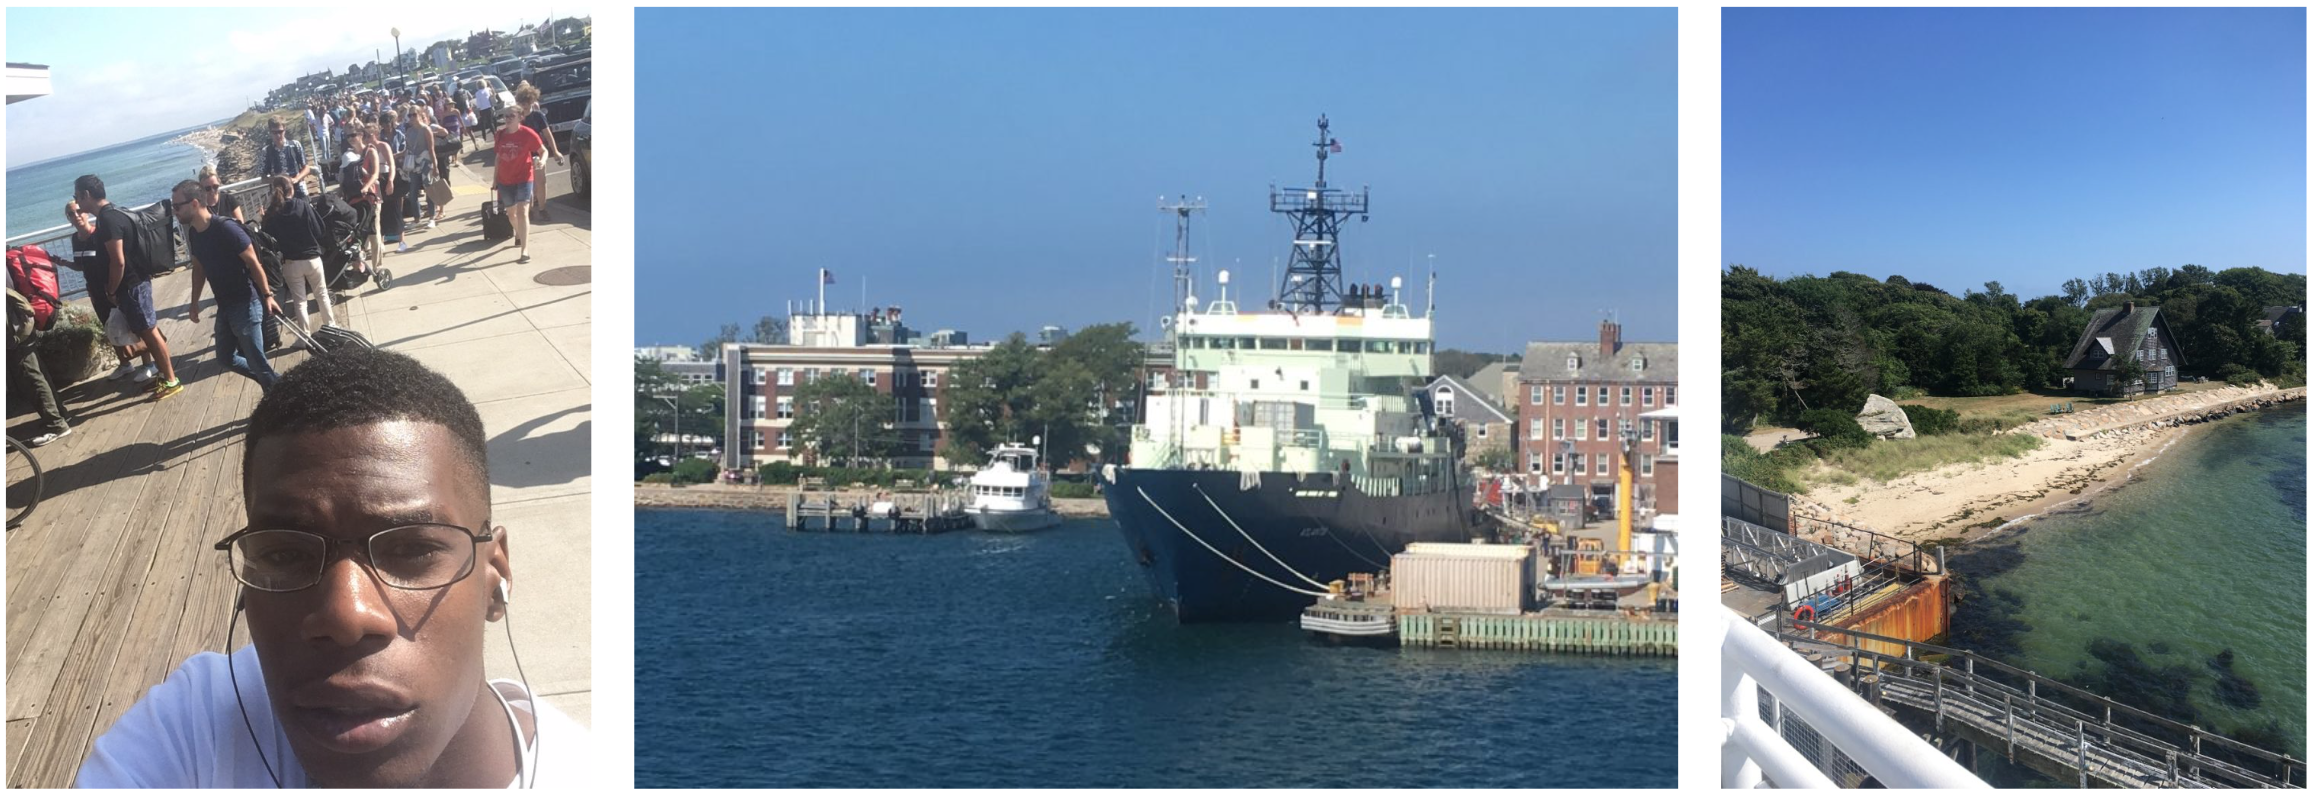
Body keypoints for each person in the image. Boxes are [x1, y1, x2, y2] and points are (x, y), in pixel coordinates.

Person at [74, 348, 583, 787]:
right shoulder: (195, 725)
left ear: (495, 575)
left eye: (410, 549)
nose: (345, 614)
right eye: (285, 553)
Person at [73, 174, 182, 400]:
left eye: (77, 196)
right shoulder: (113, 213)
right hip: (135, 284)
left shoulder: (108, 220)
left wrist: (111, 290)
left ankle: (172, 380)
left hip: (132, 286)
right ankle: (163, 376)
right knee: (147, 331)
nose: (77, 201)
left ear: (86, 195)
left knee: (150, 333)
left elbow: (118, 261)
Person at [173, 179, 282, 391]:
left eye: (177, 206)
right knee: (225, 358)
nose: (174, 211)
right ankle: (278, 384)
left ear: (194, 203)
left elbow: (253, 262)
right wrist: (194, 303)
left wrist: (268, 295)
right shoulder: (194, 234)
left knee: (257, 361)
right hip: (224, 306)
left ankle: (278, 395)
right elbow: (198, 269)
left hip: (246, 303)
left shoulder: (226, 229)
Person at [63, 203, 146, 382]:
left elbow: (114, 261)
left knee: (134, 324)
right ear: (68, 219)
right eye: (71, 214)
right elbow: (80, 265)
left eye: (79, 211)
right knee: (109, 327)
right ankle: (125, 364)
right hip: (95, 291)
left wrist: (113, 288)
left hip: (112, 287)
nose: (76, 215)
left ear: (86, 213)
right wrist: (63, 263)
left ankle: (148, 364)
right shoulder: (75, 239)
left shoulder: (99, 234)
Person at [260, 176, 333, 334]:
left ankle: (304, 337)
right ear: (291, 189)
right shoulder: (302, 205)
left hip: (291, 262)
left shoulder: (273, 214)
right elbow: (319, 230)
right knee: (322, 294)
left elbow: (267, 239)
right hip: (312, 258)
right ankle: (332, 327)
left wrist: (263, 218)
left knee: (300, 301)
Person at [7, 287, 73, 446]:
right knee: (38, 374)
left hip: (15, 335)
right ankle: (59, 414)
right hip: (22, 329)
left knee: (32, 378)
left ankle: (56, 425)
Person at [492, 101, 546, 265]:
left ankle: (525, 249)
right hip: (505, 179)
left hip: (524, 176)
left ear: (520, 118)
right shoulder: (500, 135)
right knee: (511, 214)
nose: (507, 119)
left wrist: (542, 161)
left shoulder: (528, 134)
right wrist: (495, 180)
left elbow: (543, 150)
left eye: (511, 116)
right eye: (506, 116)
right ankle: (518, 232)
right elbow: (498, 157)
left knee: (523, 211)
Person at [514, 83, 564, 223]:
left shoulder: (538, 116)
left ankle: (542, 209)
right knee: (526, 185)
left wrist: (555, 151)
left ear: (532, 101)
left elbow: (548, 135)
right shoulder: (517, 117)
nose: (525, 105)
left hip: (537, 153)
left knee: (541, 182)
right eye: (522, 102)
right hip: (522, 156)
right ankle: (528, 211)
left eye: (528, 102)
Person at [258, 118, 312, 199]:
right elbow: (263, 178)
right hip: (279, 193)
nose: (278, 135)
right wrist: (278, 181)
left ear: (285, 130)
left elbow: (306, 168)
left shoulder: (295, 145)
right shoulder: (266, 151)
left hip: (298, 189)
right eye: (274, 132)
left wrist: (297, 179)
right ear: (270, 132)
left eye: (280, 132)